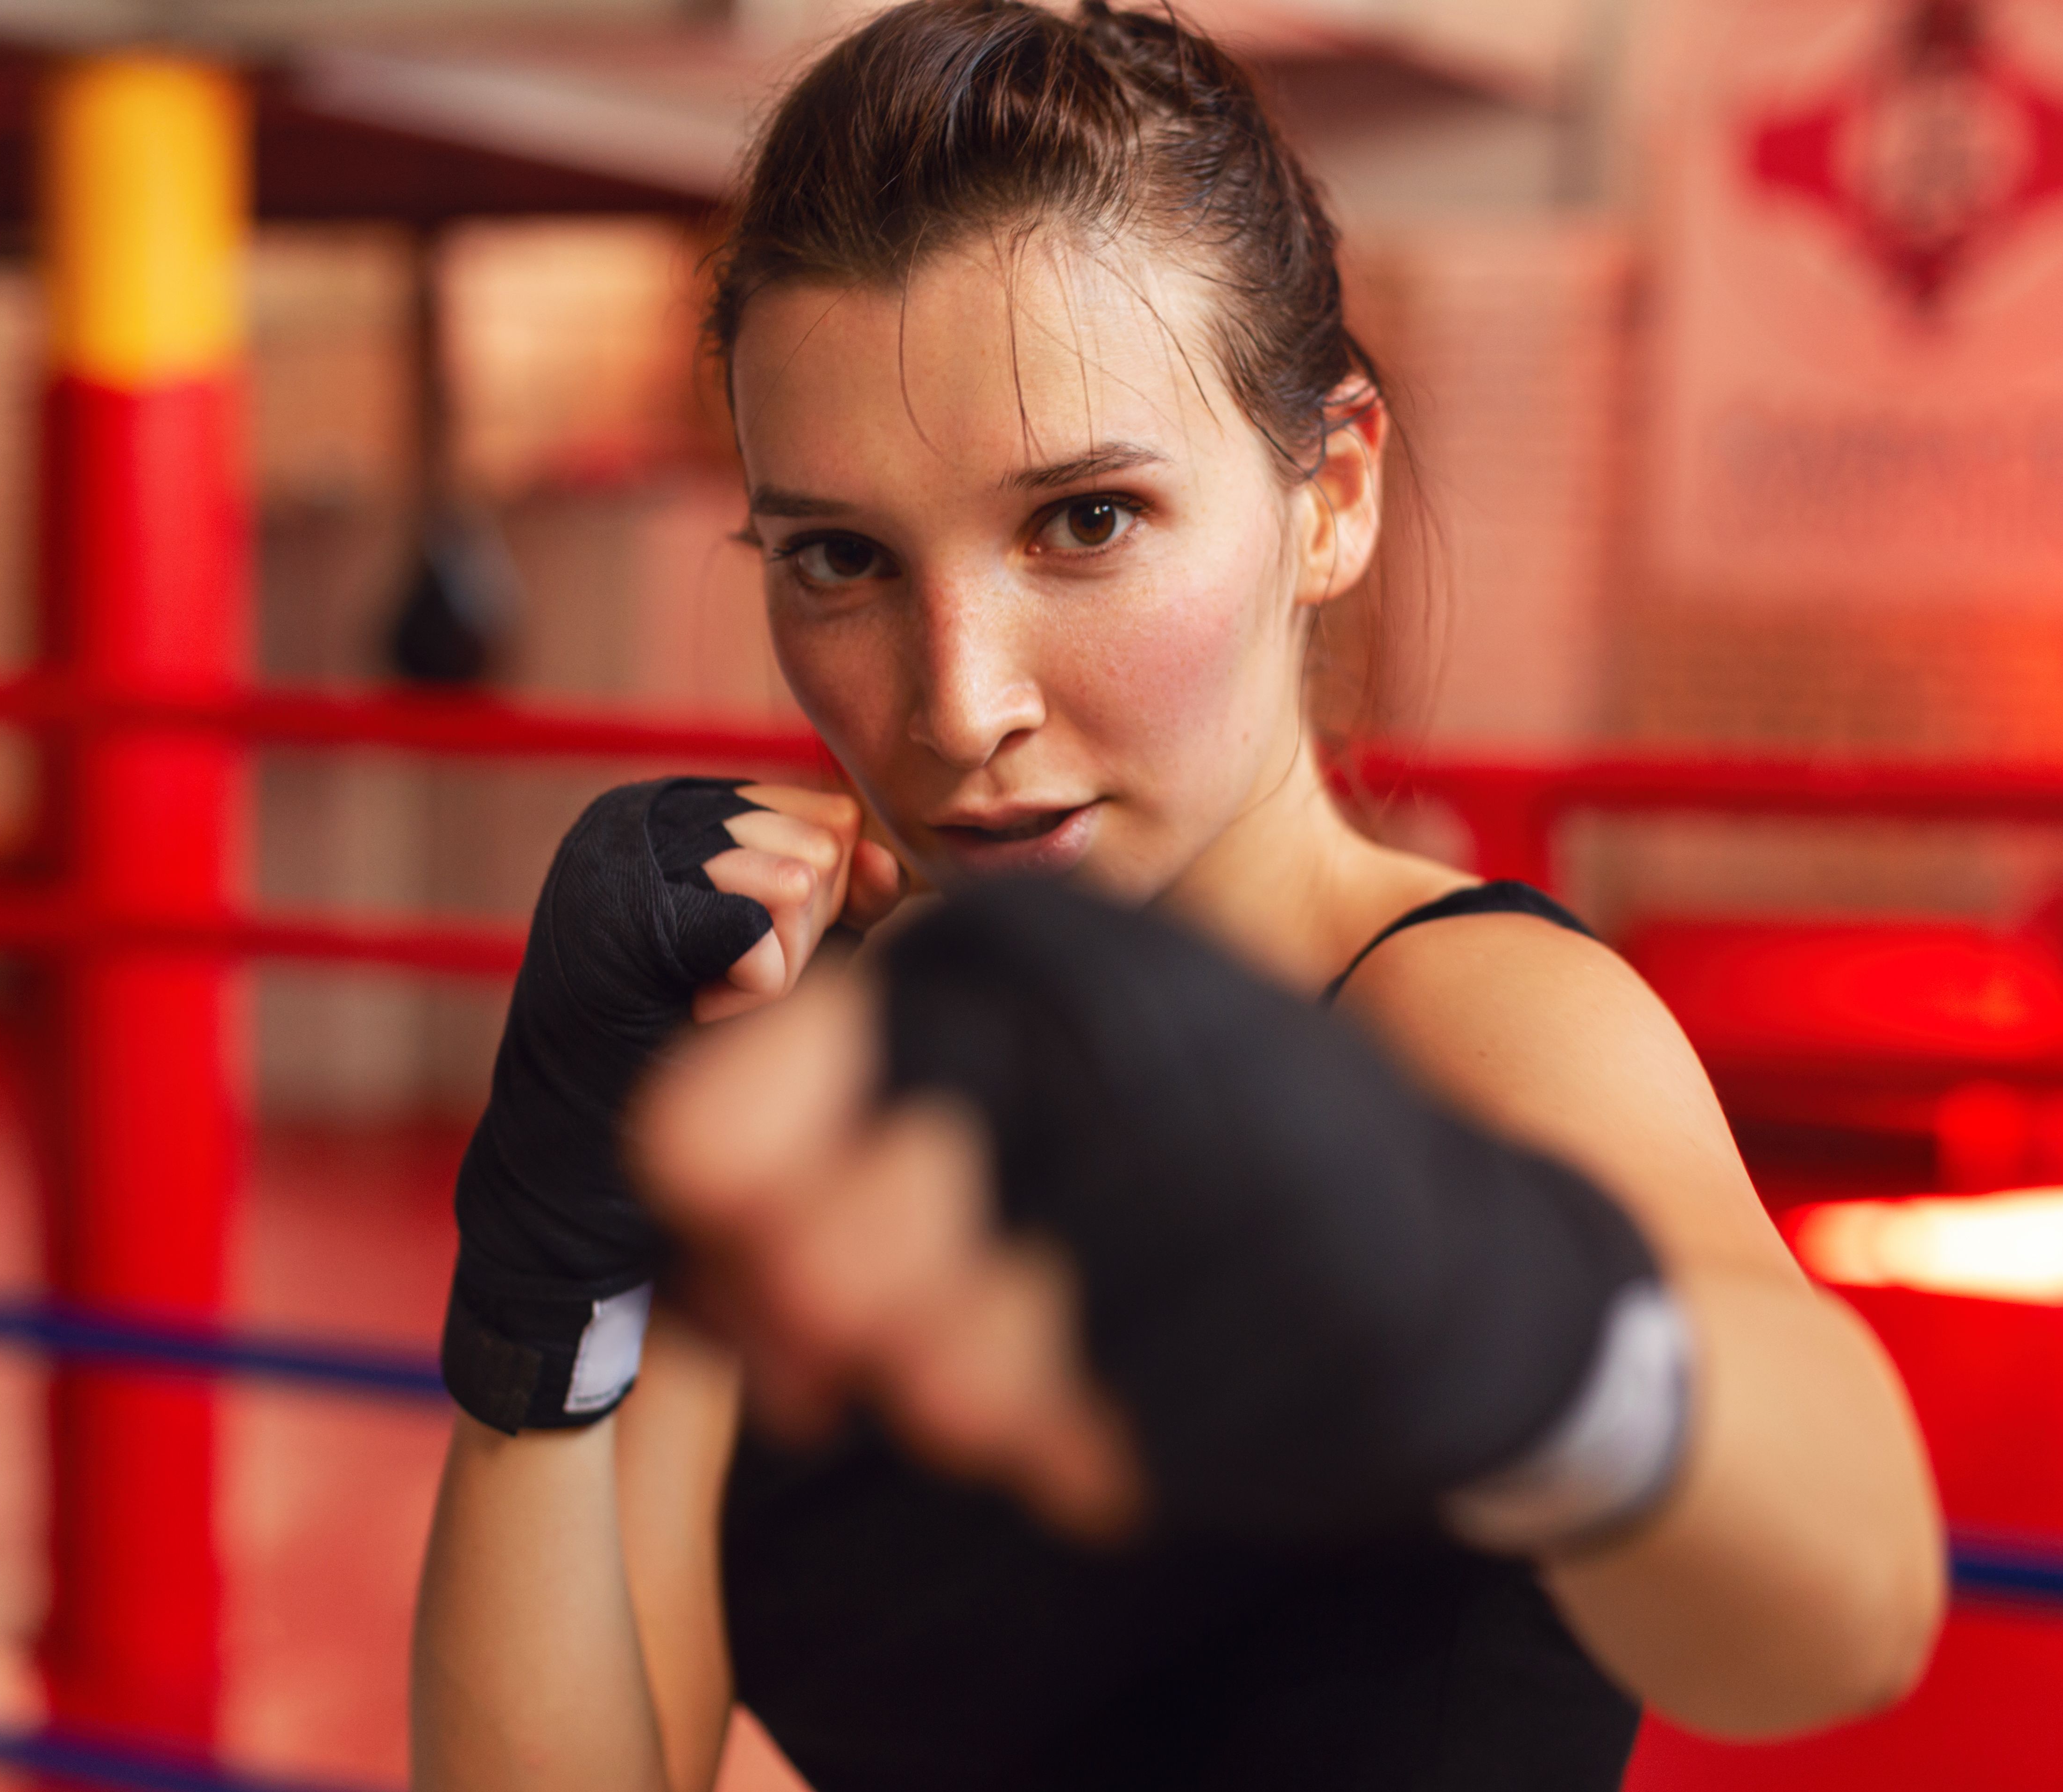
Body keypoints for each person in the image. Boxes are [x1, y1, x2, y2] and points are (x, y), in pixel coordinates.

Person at [409, 4, 1946, 1789]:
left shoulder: (1455, 1018)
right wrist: (546, 1281)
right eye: (840, 556)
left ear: (1329, 498)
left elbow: (1858, 1606)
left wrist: (1494, 1304)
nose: (959, 699)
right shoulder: (797, 1060)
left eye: (1084, 522)